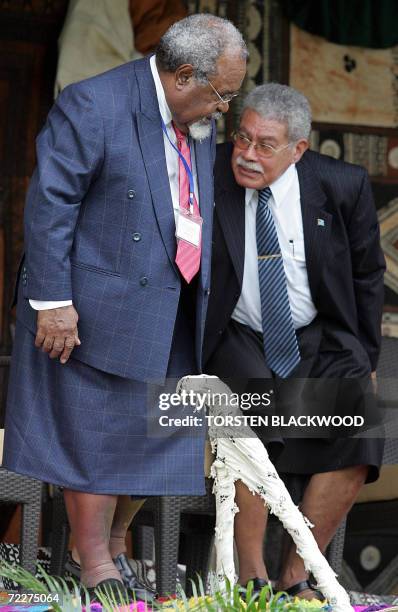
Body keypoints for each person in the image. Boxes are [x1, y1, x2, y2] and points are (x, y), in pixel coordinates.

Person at [3, 14, 247, 602]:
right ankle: (95, 565)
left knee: (157, 429)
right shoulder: (94, 104)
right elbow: (52, 203)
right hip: (93, 304)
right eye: (222, 94)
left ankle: (116, 540)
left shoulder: (198, 119)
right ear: (184, 75)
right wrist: (54, 302)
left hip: (174, 296)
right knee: (97, 428)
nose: (224, 109)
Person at [203, 83, 385, 599]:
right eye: (242, 138)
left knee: (361, 422)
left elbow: (369, 275)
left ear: (298, 149)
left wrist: (366, 356)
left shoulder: (341, 184)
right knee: (253, 411)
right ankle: (253, 579)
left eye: (265, 145)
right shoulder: (207, 170)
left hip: (316, 333)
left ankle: (296, 575)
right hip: (236, 331)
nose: (247, 154)